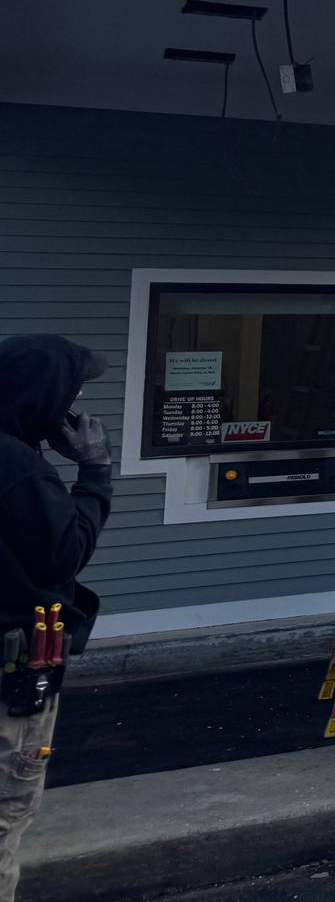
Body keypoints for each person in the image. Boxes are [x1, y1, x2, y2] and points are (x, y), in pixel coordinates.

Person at [0, 336, 112, 902]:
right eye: (73, 389)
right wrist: (94, 472)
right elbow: (64, 551)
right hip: (14, 676)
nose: (81, 400)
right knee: (4, 815)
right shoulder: (20, 469)